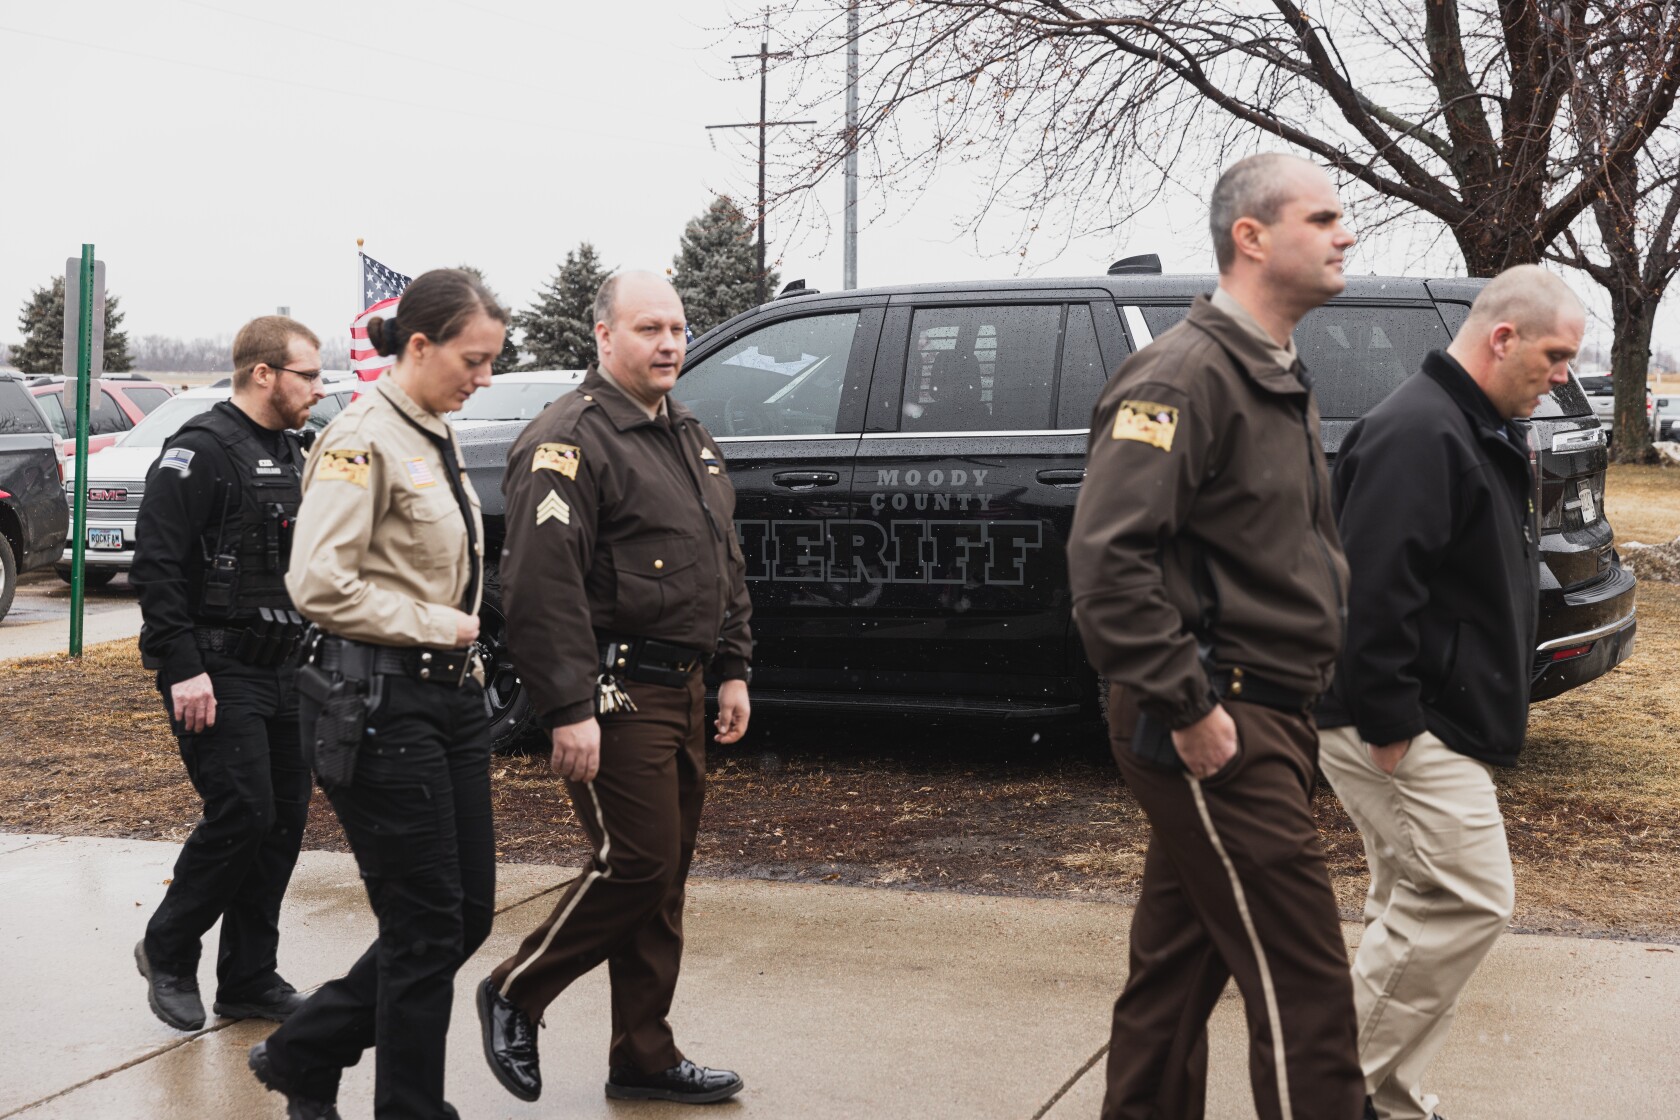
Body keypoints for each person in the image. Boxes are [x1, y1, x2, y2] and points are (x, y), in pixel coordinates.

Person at [1067, 152, 1364, 1120]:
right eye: (1322, 218)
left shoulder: (1271, 371)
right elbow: (1110, 563)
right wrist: (1189, 707)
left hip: (1269, 707)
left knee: (1176, 971)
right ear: (1251, 235)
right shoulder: (1184, 374)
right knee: (1304, 978)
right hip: (1216, 717)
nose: (1345, 233)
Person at [477, 271, 753, 1106]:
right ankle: (517, 990)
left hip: (688, 688)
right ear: (603, 337)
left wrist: (734, 664)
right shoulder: (569, 439)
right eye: (648, 329)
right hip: (616, 689)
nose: (669, 343)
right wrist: (568, 707)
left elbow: (722, 558)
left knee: (662, 879)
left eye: (676, 327)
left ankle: (644, 1054)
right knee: (635, 864)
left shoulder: (686, 432)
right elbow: (540, 588)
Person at [1315, 266, 1582, 1120]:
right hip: (1398, 722)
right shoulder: (1420, 431)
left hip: (1429, 718)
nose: (1566, 373)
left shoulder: (1471, 424)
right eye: (1557, 353)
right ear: (1502, 338)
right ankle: (1324, 1094)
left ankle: (1381, 1101)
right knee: (1468, 898)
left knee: (1411, 907)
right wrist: (1391, 724)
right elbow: (1374, 590)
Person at [245, 269, 506, 1120]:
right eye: (474, 358)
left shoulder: (433, 428)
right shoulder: (362, 436)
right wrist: (436, 624)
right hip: (380, 706)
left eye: (493, 361)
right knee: (428, 923)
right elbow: (317, 582)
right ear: (419, 346)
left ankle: (305, 1049)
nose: (485, 377)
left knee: (461, 917)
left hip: (446, 704)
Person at [131, 315, 326, 1032]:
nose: (319, 387)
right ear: (264, 374)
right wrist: (183, 668)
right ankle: (168, 948)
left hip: (286, 670)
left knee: (281, 823)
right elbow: (155, 565)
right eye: (308, 374)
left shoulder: (296, 452)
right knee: (242, 810)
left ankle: (248, 978)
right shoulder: (201, 452)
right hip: (215, 668)